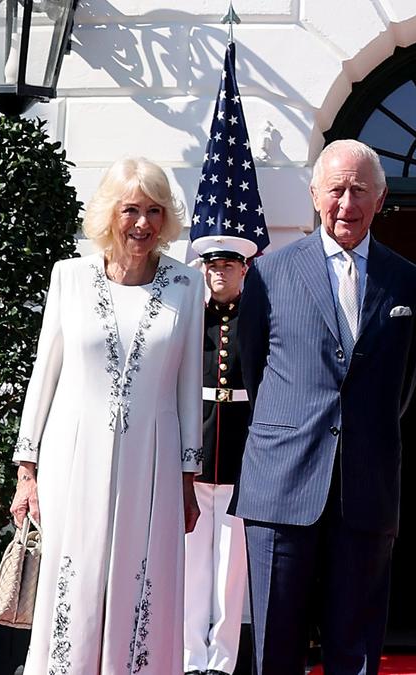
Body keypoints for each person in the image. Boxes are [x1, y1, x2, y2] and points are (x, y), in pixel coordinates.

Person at [233, 139, 416, 675]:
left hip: (366, 489)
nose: (347, 203)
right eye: (336, 190)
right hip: (281, 484)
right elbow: (253, 369)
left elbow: (405, 384)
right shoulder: (268, 274)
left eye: (359, 190)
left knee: (356, 651)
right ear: (315, 194)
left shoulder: (408, 280)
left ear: (380, 199)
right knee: (276, 647)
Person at [9, 156, 206, 674]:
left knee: (144, 581)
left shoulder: (188, 285)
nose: (143, 223)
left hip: (154, 462)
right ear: (109, 213)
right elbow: (45, 374)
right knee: (73, 579)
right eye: (131, 210)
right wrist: (27, 471)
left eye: (155, 211)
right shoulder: (69, 277)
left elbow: (188, 386)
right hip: (72, 458)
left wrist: (188, 476)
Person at [183, 233, 259, 675]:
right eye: (212, 266)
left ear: (243, 270)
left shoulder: (256, 318)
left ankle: (223, 661)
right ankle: (190, 657)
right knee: (193, 563)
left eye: (227, 266)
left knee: (231, 568)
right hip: (197, 454)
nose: (218, 274)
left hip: (239, 454)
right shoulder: (192, 317)